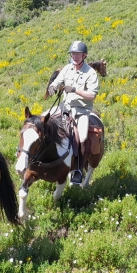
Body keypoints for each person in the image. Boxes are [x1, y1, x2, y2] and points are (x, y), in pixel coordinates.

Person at [47, 40, 100, 185]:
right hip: (65, 107)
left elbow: (92, 95)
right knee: (44, 122)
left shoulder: (90, 73)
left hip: (82, 110)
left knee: (82, 137)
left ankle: (78, 169)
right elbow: (57, 81)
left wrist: (75, 90)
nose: (75, 56)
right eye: (73, 54)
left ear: (84, 55)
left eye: (78, 54)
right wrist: (53, 87)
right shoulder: (67, 69)